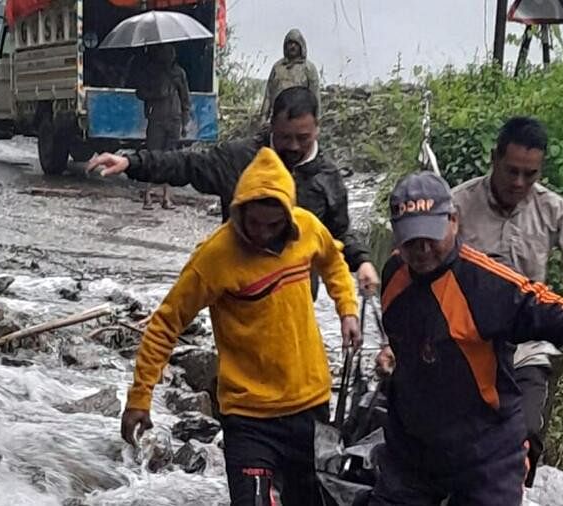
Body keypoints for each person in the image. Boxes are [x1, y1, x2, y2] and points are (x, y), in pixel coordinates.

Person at [368, 171, 563, 505]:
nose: (423, 250)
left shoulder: (487, 285)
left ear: (453, 221)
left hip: (484, 453)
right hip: (414, 449)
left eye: (431, 235)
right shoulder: (395, 273)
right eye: (412, 241)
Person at [120, 147, 361, 505]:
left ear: (288, 217)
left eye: (273, 225)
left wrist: (347, 309)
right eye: (254, 224)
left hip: (309, 407)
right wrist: (140, 397)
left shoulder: (308, 229)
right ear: (239, 212)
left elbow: (333, 261)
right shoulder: (215, 257)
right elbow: (165, 323)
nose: (262, 233)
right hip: (249, 418)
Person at [453, 116, 563, 485]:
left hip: (527, 346)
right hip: (467, 344)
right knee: (458, 444)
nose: (519, 183)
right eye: (512, 171)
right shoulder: (457, 205)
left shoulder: (550, 208)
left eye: (530, 175)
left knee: (526, 436)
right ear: (493, 159)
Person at [88, 86, 379, 295]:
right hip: (237, 292)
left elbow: (338, 235)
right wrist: (131, 162)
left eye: (302, 138)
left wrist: (362, 262)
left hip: (296, 297)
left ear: (317, 129)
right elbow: (186, 164)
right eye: (284, 137)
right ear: (272, 126)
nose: (292, 146)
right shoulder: (239, 160)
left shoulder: (327, 178)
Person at [132, 44, 190, 210]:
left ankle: (166, 198)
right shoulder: (152, 72)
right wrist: (157, 94)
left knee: (170, 158)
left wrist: (185, 122)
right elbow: (140, 92)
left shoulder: (179, 73)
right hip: (156, 120)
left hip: (174, 120)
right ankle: (148, 196)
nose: (169, 56)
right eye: (166, 53)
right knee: (153, 156)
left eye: (171, 53)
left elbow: (185, 98)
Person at [260, 29, 321, 121]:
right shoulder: (277, 67)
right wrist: (263, 117)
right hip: (279, 117)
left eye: (296, 43)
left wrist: (316, 119)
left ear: (301, 46)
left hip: (300, 117)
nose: (292, 46)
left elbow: (315, 95)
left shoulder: (309, 68)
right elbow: (269, 94)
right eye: (290, 43)